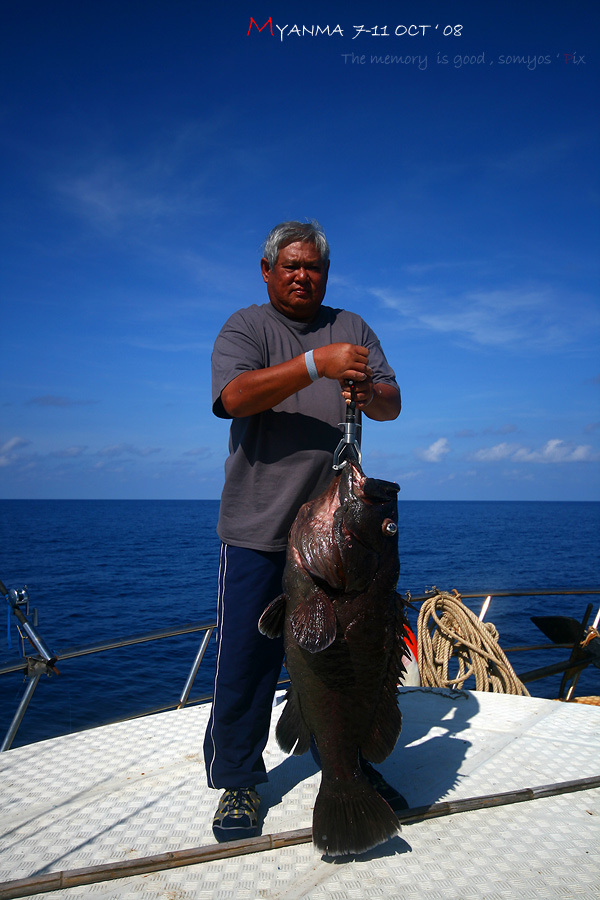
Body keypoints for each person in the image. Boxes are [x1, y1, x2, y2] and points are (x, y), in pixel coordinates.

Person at [205, 221, 401, 842]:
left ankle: (349, 766)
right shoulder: (246, 328)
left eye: (313, 266)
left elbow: (393, 401)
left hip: (340, 540)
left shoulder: (355, 327)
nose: (301, 276)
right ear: (266, 271)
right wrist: (316, 364)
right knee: (247, 658)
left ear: (326, 272)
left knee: (350, 661)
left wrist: (367, 388)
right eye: (289, 266)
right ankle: (238, 780)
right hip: (259, 530)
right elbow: (234, 398)